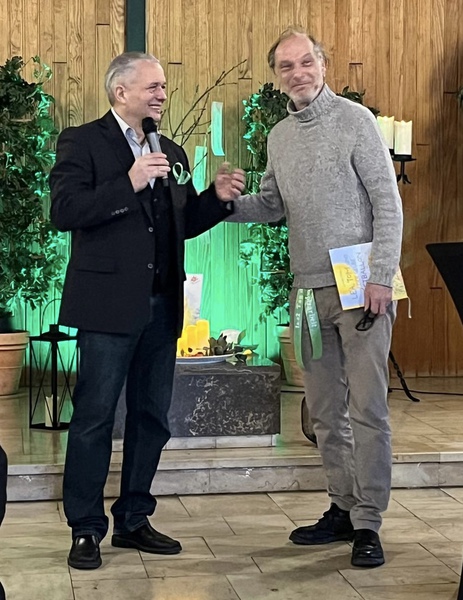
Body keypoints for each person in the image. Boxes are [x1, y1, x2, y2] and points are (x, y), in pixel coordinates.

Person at [49, 52, 245, 570]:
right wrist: (129, 181)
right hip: (107, 307)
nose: (162, 94)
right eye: (153, 86)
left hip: (162, 306)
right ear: (121, 92)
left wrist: (215, 199)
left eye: (163, 87)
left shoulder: (171, 149)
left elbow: (181, 223)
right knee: (93, 418)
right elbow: (64, 211)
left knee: (152, 417)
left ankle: (134, 519)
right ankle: (86, 528)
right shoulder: (82, 142)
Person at [227, 27, 403, 568]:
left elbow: (387, 202)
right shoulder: (279, 136)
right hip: (307, 290)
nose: (297, 73)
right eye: (286, 66)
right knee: (325, 412)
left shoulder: (356, 121)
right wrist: (222, 203)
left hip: (360, 287)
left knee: (367, 409)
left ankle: (369, 522)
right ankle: (342, 507)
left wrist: (381, 276)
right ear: (276, 76)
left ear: (323, 65)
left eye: (306, 62)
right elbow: (272, 205)